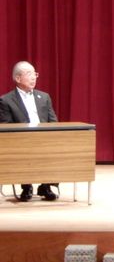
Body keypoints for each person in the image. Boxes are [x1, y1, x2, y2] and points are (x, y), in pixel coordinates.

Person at [0, 61, 59, 201]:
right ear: (18, 78)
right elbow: (6, 127)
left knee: (57, 147)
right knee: (23, 150)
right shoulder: (6, 100)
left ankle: (46, 186)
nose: (33, 77)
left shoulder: (44, 97)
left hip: (45, 139)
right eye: (29, 74)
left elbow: (53, 121)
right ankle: (26, 186)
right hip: (22, 141)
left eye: (35, 74)